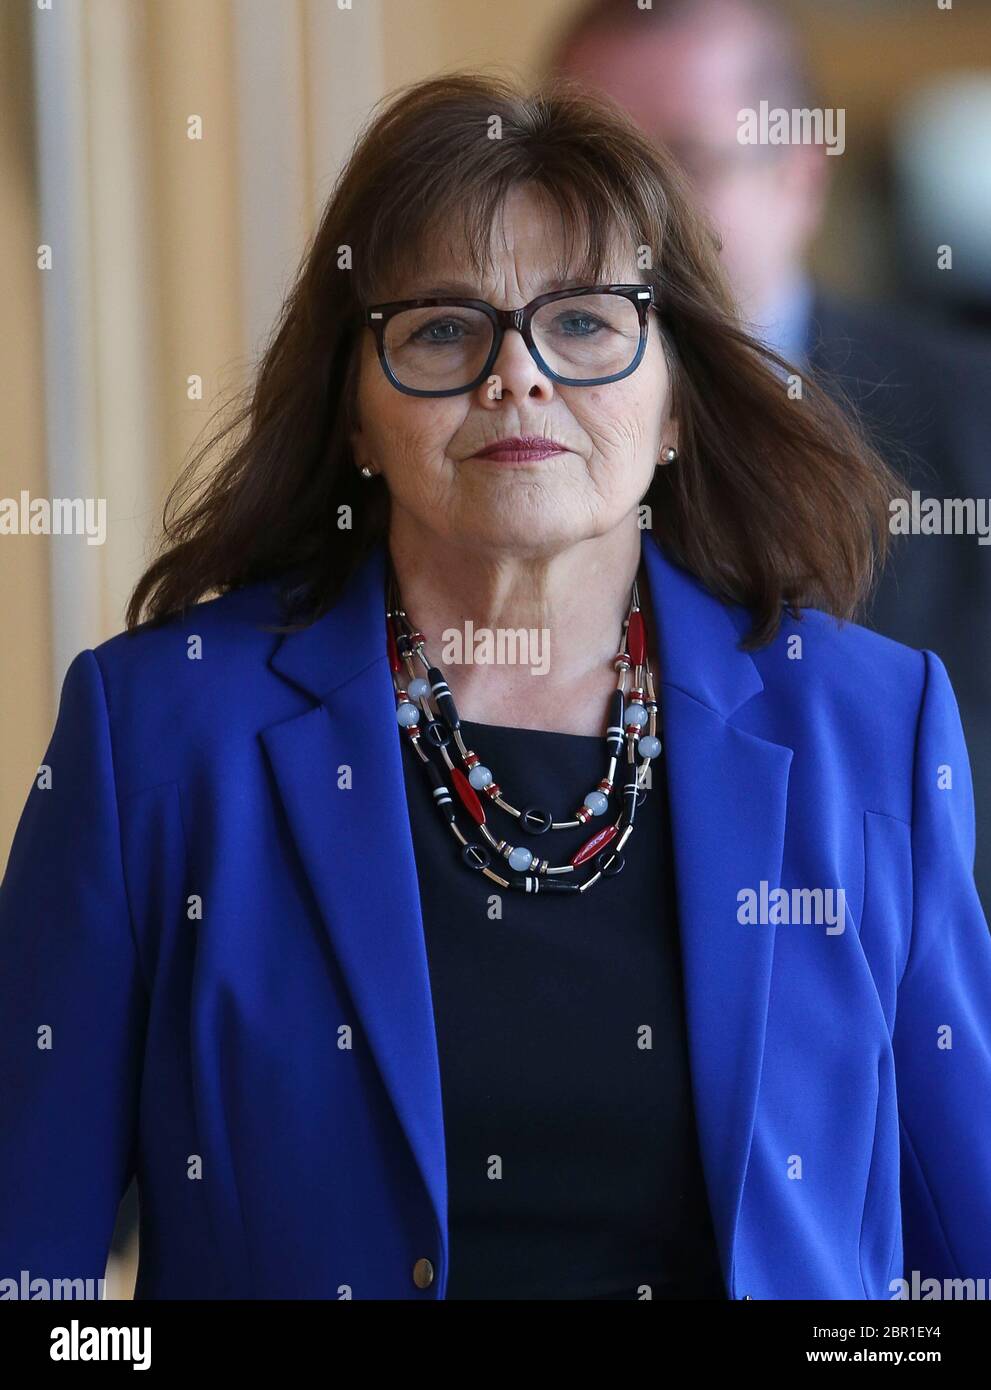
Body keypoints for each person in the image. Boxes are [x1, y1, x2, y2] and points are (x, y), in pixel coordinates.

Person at [1, 73, 990, 1301]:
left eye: (581, 322)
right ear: (356, 416)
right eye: (440, 329)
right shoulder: (156, 738)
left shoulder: (869, 727)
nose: (515, 376)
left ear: (674, 397)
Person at [550, 0, 991, 915]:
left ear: (797, 174)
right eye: (579, 172)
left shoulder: (971, 418)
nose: (624, 220)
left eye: (682, 162)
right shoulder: (481, 438)